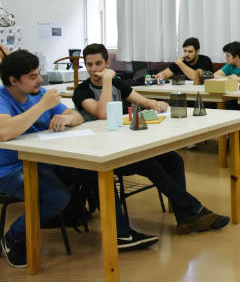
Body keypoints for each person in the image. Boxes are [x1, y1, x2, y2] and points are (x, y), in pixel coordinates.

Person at [0, 50, 157, 268]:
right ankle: (13, 236)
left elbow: (77, 117)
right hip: (11, 169)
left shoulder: (39, 93)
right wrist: (42, 106)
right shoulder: (4, 99)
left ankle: (121, 235)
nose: (39, 80)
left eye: (38, 74)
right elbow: (4, 132)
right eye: (33, 76)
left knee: (96, 170)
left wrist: (65, 117)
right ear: (13, 81)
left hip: (47, 160)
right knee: (57, 197)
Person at [74, 43, 230, 235]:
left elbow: (142, 100)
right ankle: (195, 209)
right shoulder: (82, 91)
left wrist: (156, 104)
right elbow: (103, 113)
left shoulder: (117, 84)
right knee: (150, 164)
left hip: (123, 146)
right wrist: (107, 80)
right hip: (103, 155)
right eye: (89, 65)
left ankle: (185, 217)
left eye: (98, 63)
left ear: (107, 62)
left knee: (174, 160)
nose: (93, 69)